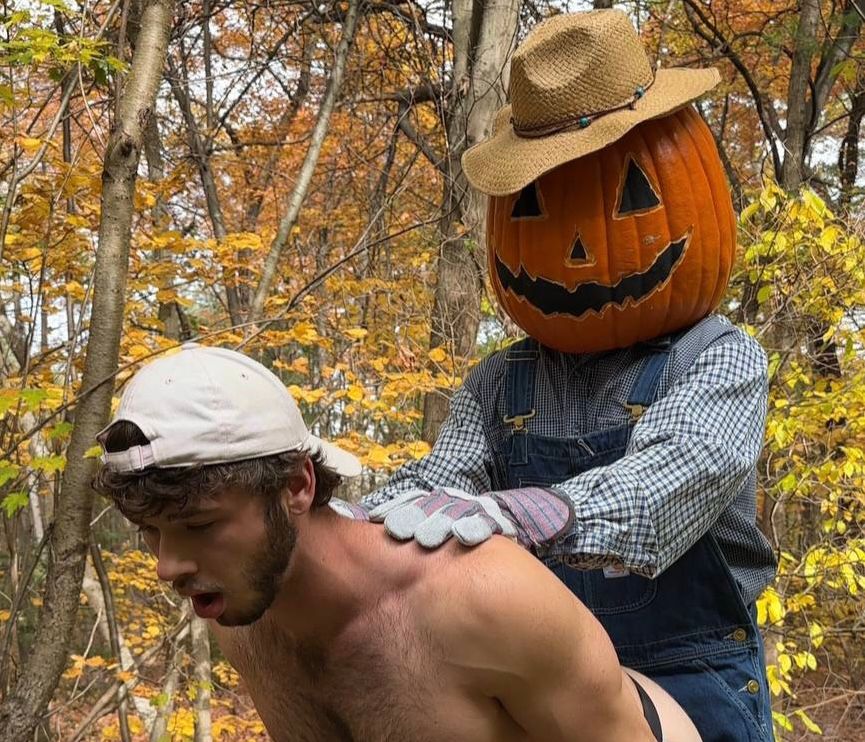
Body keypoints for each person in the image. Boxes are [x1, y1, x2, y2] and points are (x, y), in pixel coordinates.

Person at [357, 11, 778, 742]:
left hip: (692, 670)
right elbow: (444, 482)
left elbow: (680, 469)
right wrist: (359, 520)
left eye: (629, 197)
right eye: (536, 208)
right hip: (543, 679)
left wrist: (532, 513)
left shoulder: (718, 357)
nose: (580, 249)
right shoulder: (500, 383)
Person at [94, 344, 701, 742]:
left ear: (298, 486)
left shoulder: (483, 597)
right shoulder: (244, 617)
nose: (167, 566)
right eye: (151, 532)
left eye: (201, 526)